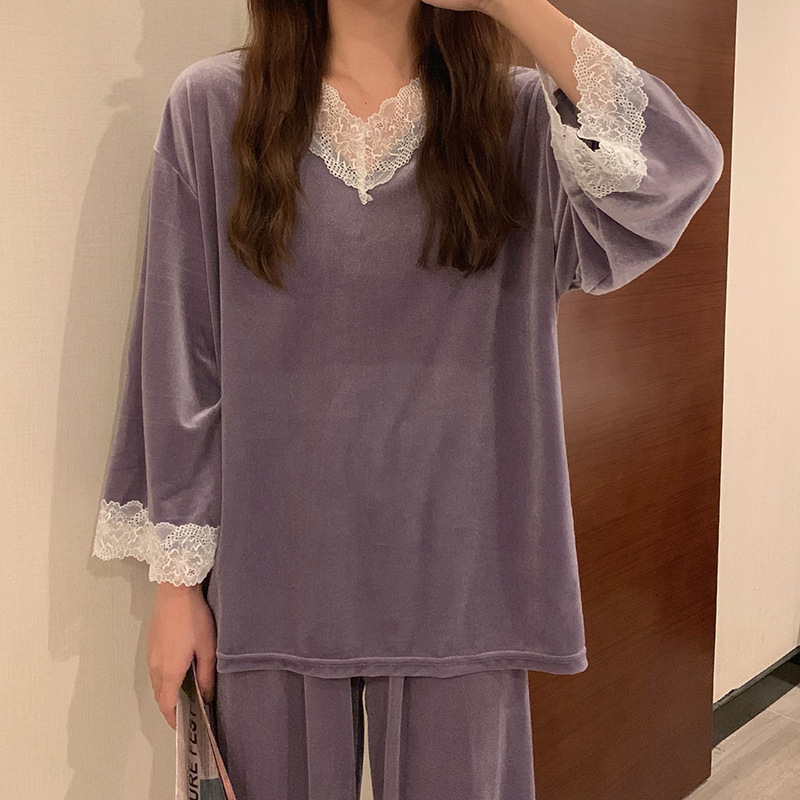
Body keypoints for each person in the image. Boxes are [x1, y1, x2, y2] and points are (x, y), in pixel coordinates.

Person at [92, 0, 725, 797]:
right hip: (275, 573)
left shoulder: (521, 119)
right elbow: (180, 354)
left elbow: (677, 168)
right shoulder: (214, 107)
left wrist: (511, 3)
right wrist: (177, 589)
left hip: (463, 580)